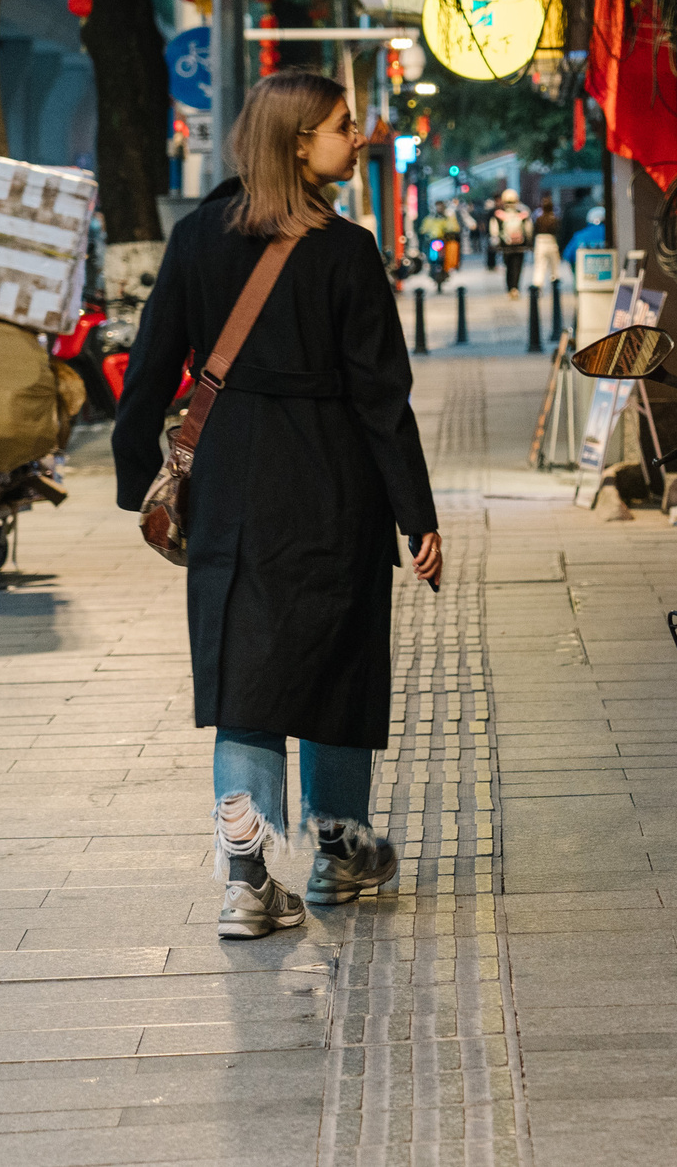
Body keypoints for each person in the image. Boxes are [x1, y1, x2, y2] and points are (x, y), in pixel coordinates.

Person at [115, 71, 443, 940]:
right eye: (343, 126)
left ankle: (247, 884)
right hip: (337, 494)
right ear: (300, 141)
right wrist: (417, 515)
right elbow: (382, 398)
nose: (358, 136)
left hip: (230, 490)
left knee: (245, 682)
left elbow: (149, 369)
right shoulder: (347, 251)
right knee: (335, 669)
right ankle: (338, 859)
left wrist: (130, 482)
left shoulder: (195, 240)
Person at [490, 188, 533, 298]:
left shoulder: (499, 214)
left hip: (506, 246)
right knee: (518, 267)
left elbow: (494, 231)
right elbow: (529, 229)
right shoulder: (523, 213)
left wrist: (496, 242)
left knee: (508, 267)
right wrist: (529, 242)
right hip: (520, 246)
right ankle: (515, 287)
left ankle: (510, 287)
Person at [530, 198, 562, 290]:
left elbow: (534, 232)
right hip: (552, 242)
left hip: (540, 242)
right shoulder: (555, 219)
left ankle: (537, 286)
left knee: (539, 266)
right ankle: (555, 286)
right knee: (554, 267)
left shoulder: (539, 219)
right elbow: (559, 232)